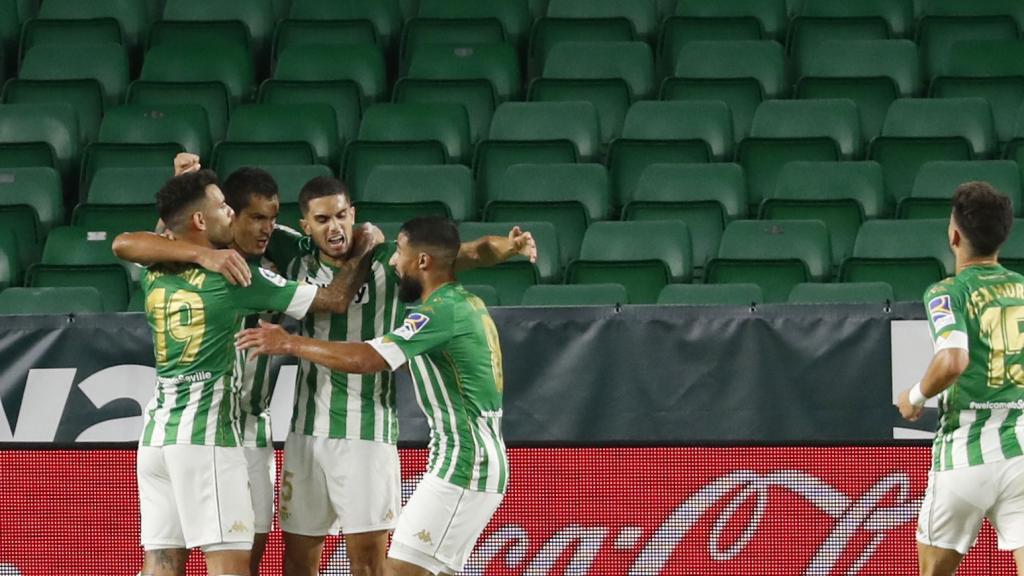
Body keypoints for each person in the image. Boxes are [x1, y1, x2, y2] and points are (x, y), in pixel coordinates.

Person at [261, 178, 533, 576]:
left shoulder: (430, 302)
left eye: (341, 215)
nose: (335, 227)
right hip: (313, 433)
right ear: (305, 225)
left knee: (382, 569)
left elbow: (371, 356)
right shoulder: (455, 304)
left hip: (391, 439)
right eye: (322, 219)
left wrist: (290, 344)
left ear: (354, 214)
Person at [116, 169, 378, 576]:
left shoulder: (158, 266)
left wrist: (196, 247)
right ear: (213, 219)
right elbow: (337, 298)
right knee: (231, 563)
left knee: (162, 562)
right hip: (210, 435)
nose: (266, 228)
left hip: (161, 433)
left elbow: (126, 243)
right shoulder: (237, 275)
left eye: (272, 219)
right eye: (228, 209)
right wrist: (364, 246)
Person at [897, 181, 1024, 576]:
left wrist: (915, 396)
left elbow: (952, 360)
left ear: (954, 236)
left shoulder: (946, 292)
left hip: (963, 458)